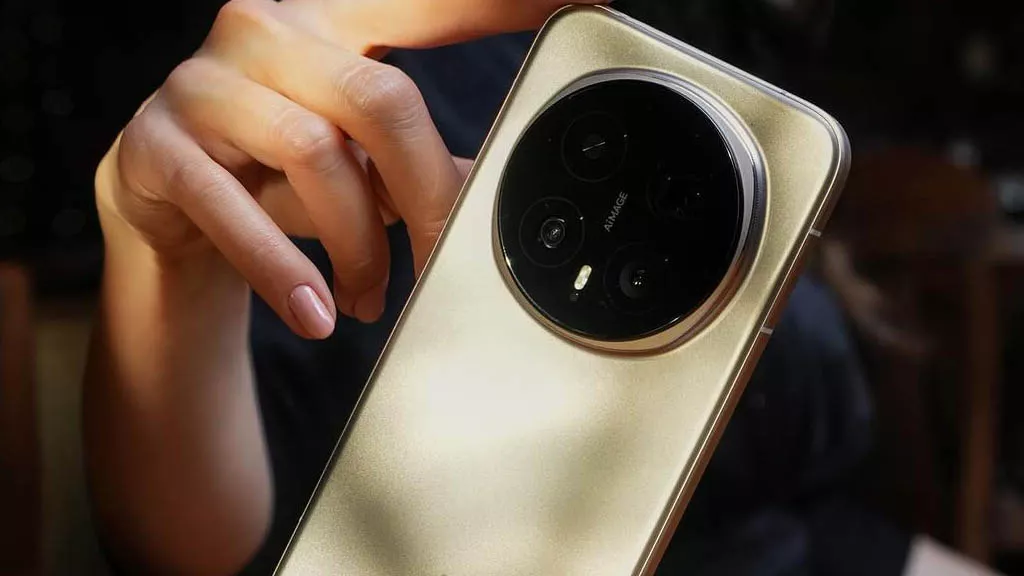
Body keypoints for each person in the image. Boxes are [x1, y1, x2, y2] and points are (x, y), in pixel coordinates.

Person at [83, 1, 907, 575]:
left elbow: (814, 516)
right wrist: (166, 259)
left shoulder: (693, 52)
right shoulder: (328, 71)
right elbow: (191, 551)